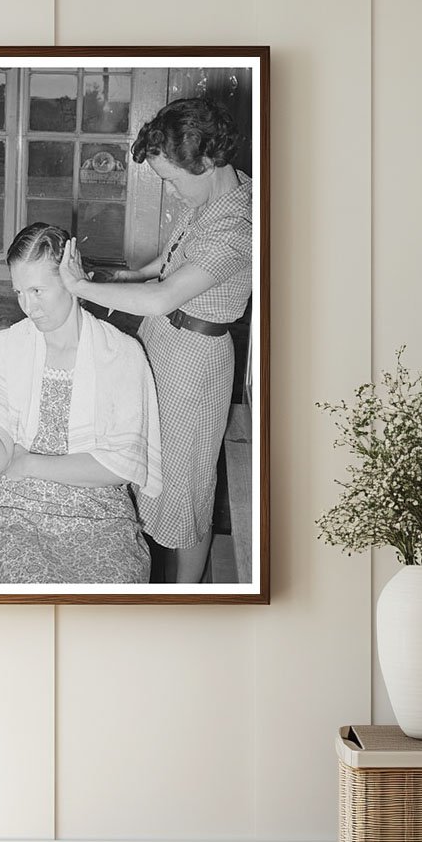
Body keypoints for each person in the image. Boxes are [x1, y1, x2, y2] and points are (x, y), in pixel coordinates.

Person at [59, 97, 252, 583]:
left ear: (207, 161)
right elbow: (158, 270)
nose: (169, 189)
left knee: (185, 490)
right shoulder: (211, 199)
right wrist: (106, 275)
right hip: (164, 348)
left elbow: (164, 295)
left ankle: (186, 598)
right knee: (150, 469)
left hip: (195, 365)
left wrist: (82, 289)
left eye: (171, 178)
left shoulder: (237, 224)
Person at [0, 223, 161, 584]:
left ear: (74, 281)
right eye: (19, 292)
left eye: (38, 290)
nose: (28, 307)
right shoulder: (4, 348)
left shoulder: (120, 353)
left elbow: (120, 468)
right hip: (12, 507)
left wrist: (29, 463)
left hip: (97, 513)